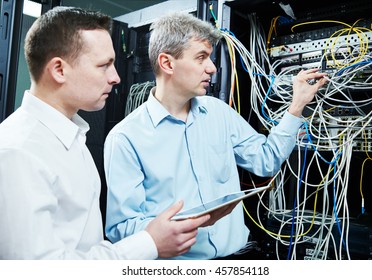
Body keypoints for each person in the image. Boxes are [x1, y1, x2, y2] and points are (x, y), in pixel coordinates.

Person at [103, 12, 327, 259]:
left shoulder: (218, 113)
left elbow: (266, 161)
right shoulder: (125, 138)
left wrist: (297, 106)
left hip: (240, 256)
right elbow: (121, 230)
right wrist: (181, 226)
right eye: (201, 58)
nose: (211, 67)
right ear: (167, 63)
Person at [0, 7, 210, 260]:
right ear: (59, 70)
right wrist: (149, 243)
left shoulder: (73, 137)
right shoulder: (18, 152)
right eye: (104, 65)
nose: (116, 77)